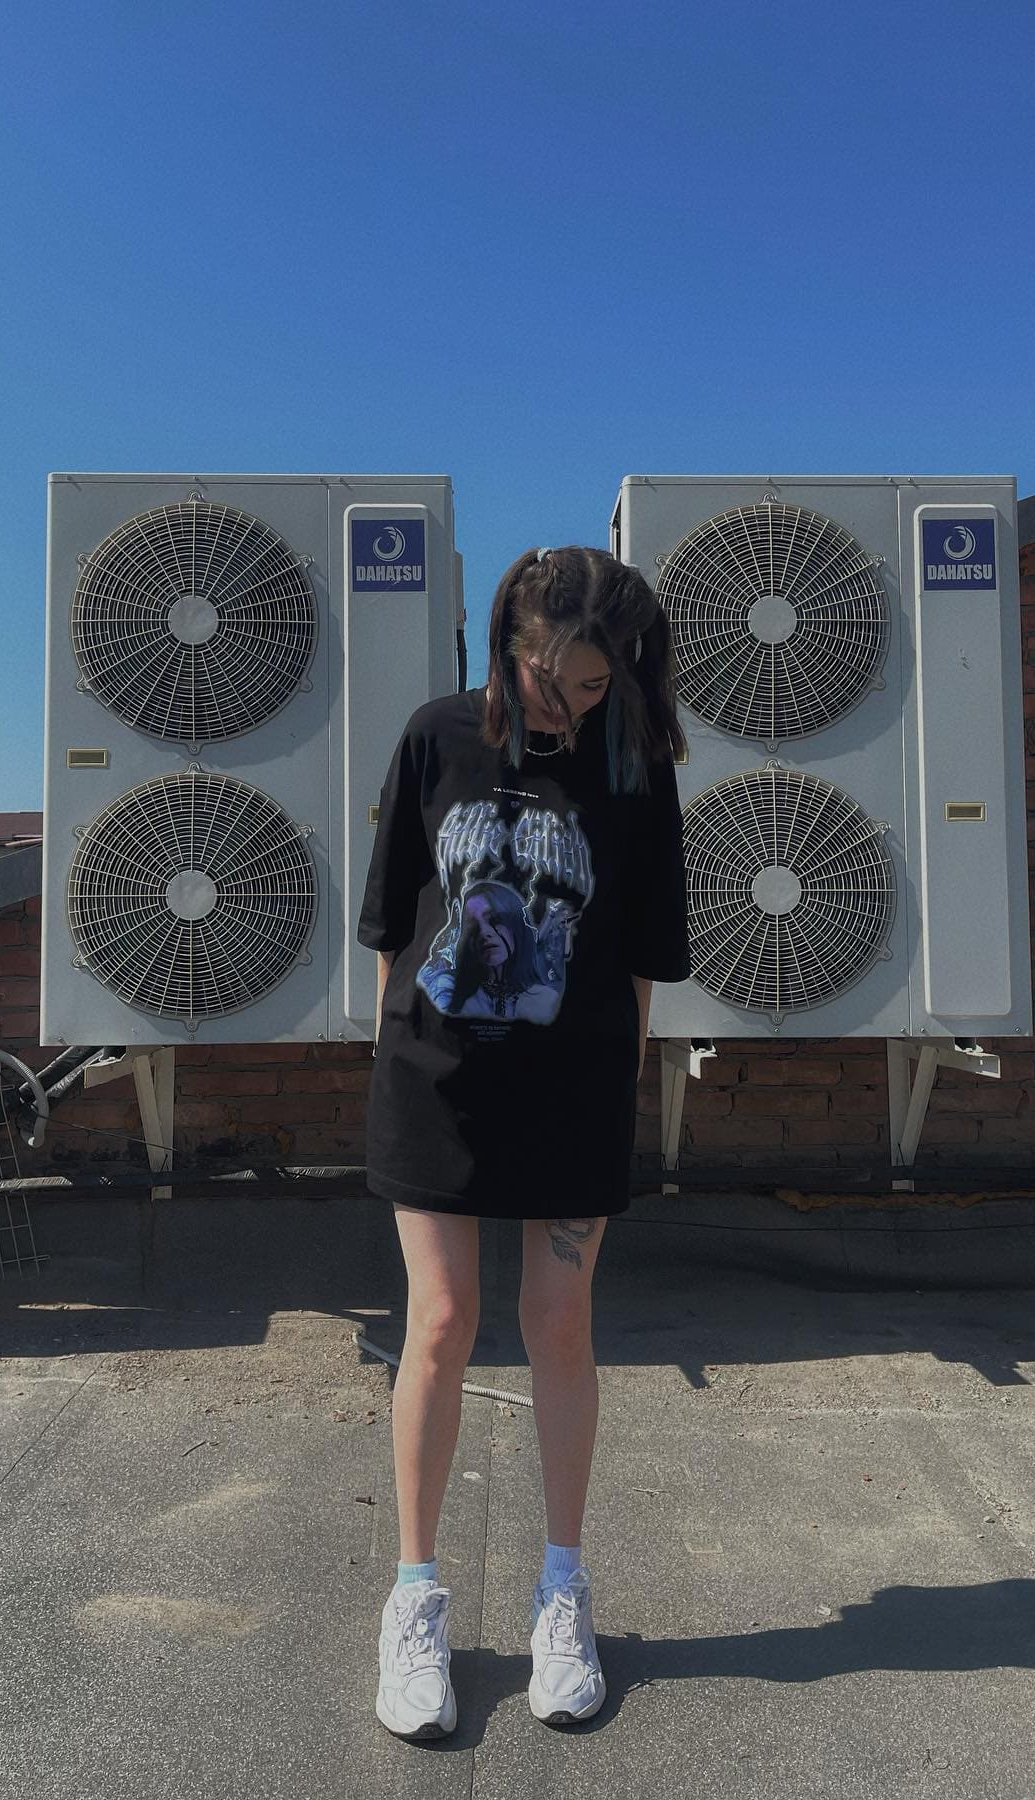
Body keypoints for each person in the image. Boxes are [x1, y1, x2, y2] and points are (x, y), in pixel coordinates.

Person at [357, 543, 691, 1739]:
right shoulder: (435, 737)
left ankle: (563, 1591)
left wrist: (622, 1083)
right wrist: (391, 1061)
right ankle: (414, 1598)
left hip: (574, 1088)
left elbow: (645, 949)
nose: (575, 703)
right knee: (441, 1322)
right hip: (436, 1082)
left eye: (599, 684)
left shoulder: (634, 759)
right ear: (509, 641)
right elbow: (392, 924)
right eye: (557, 679)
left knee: (559, 1325)